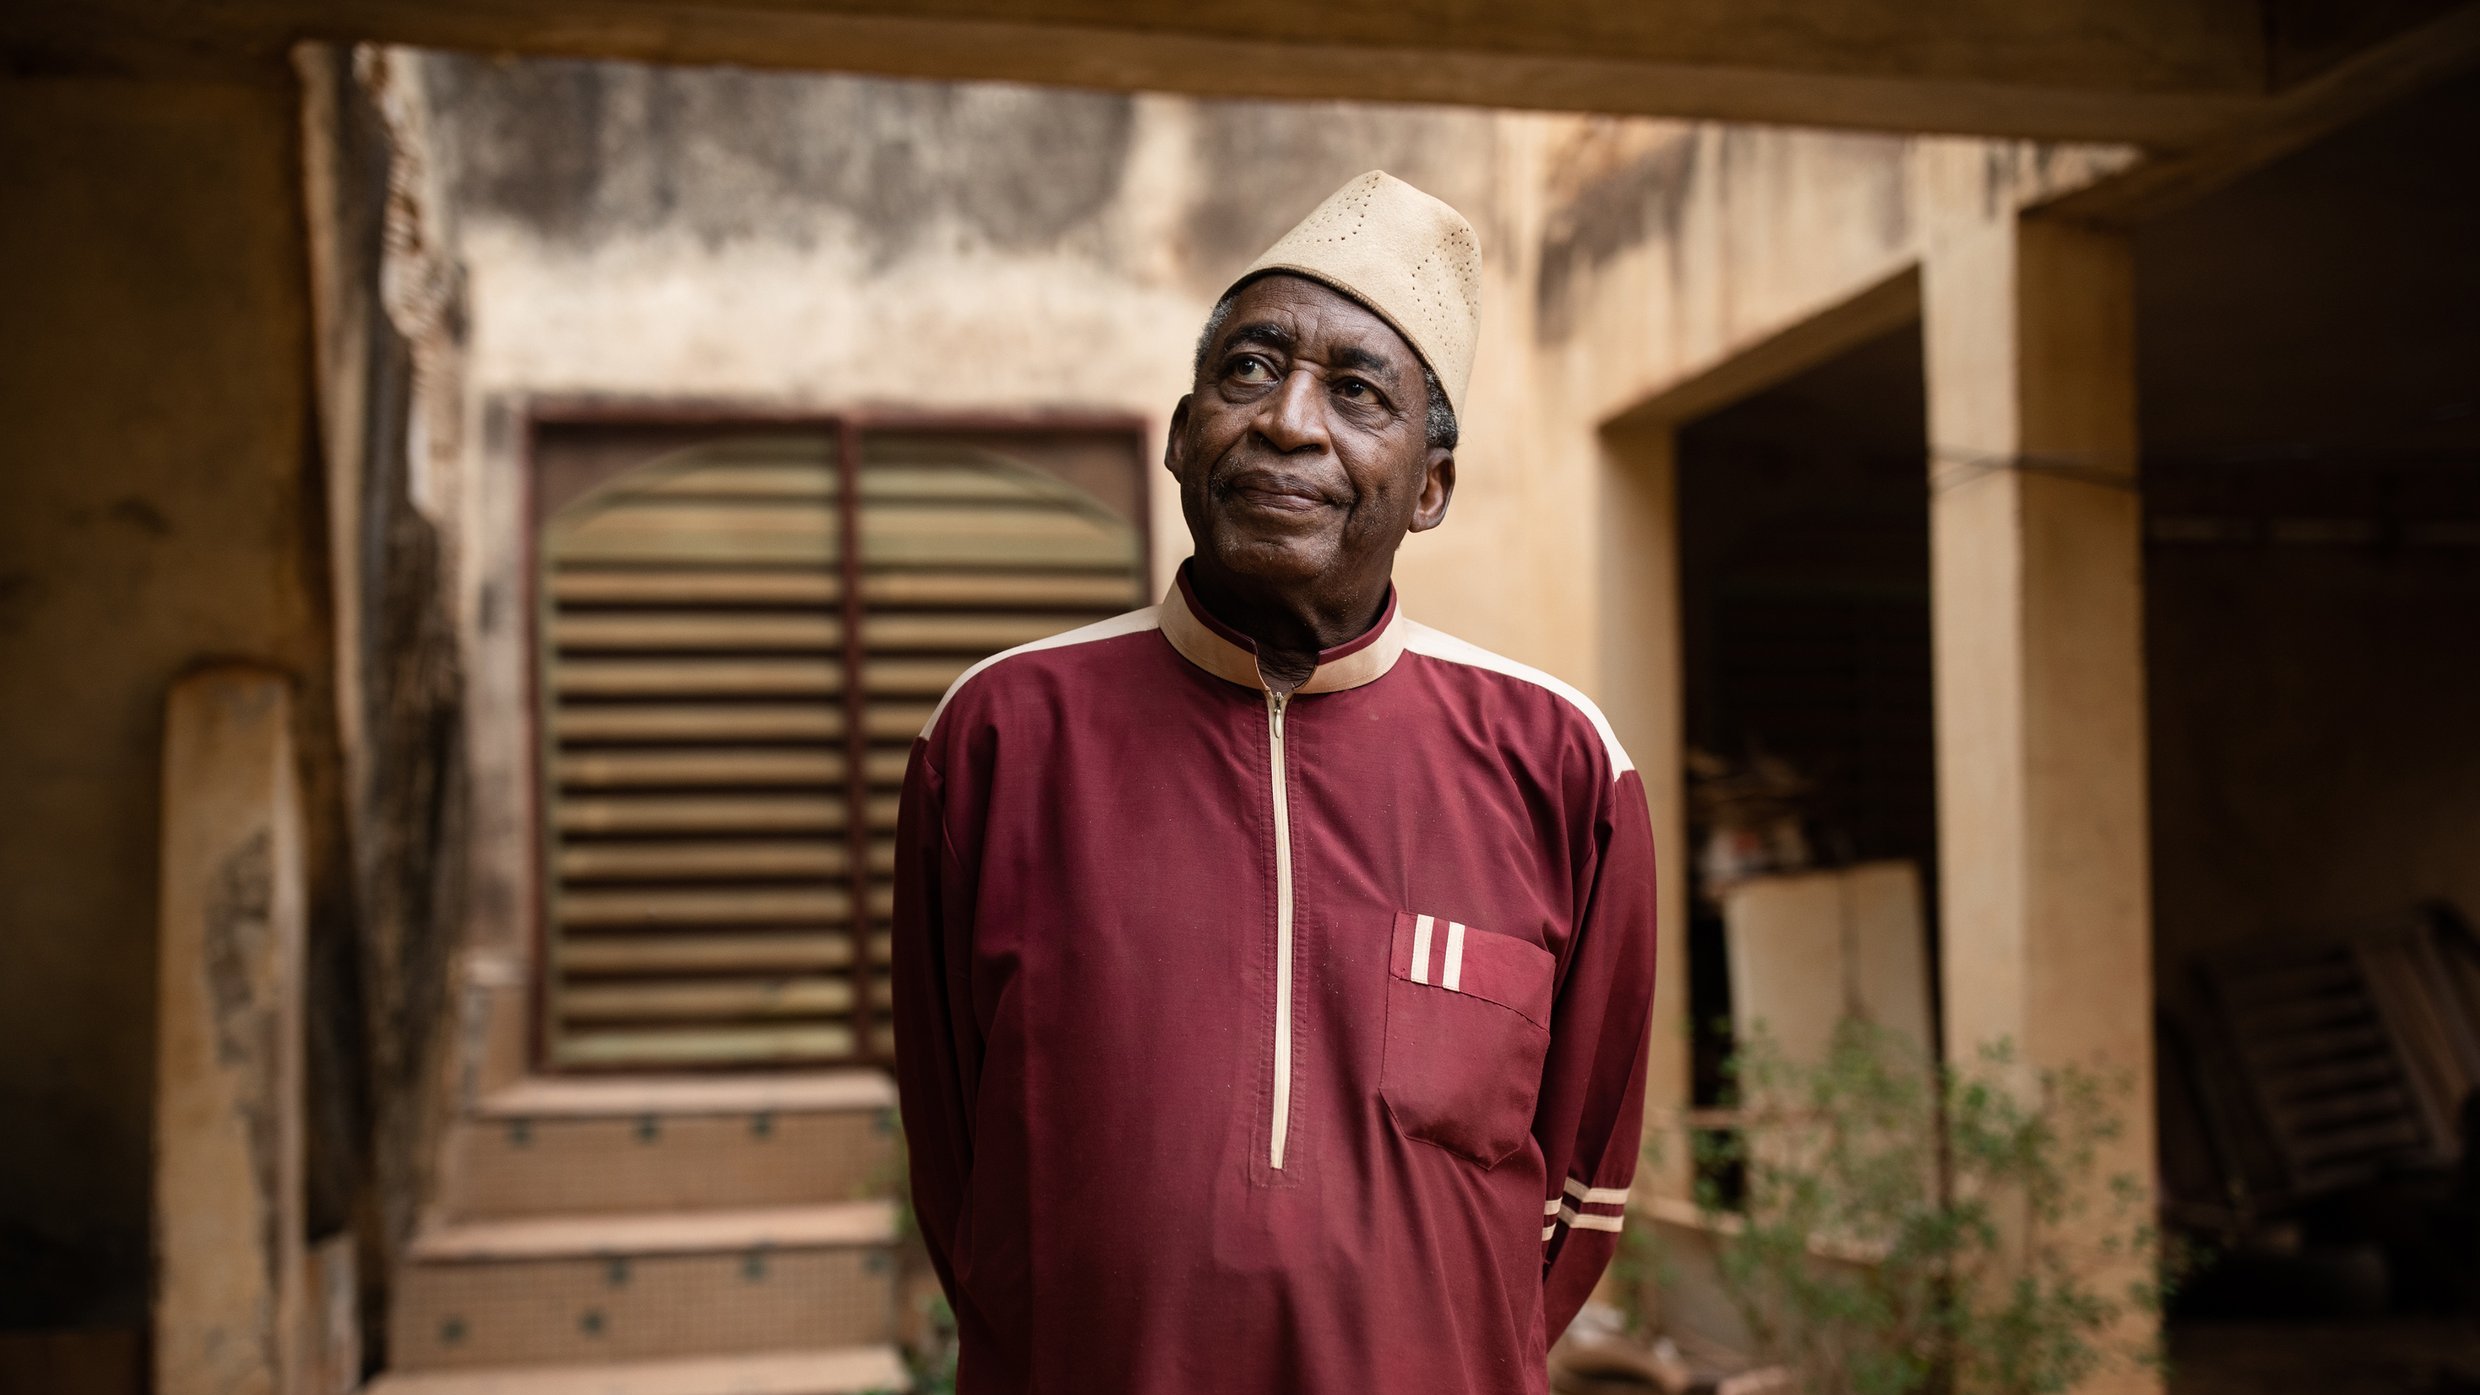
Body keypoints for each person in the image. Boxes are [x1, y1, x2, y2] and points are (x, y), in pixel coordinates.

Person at [892, 170, 1659, 1394]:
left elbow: (1578, 1183)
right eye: (1249, 369)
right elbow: (958, 1158)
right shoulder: (998, 735)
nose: (1289, 421)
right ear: (1181, 433)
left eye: (1357, 392)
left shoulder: (1559, 763)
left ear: (1429, 488)